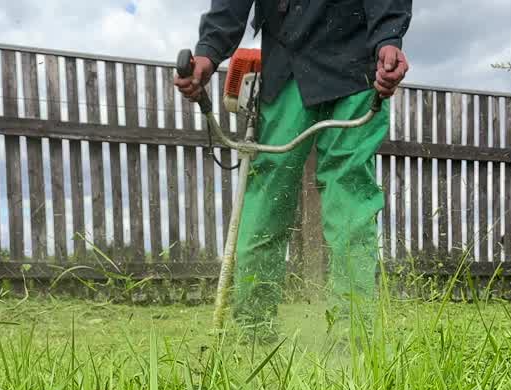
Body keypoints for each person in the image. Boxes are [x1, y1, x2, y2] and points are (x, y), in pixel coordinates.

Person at [175, 0, 412, 343]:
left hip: (358, 67)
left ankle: (353, 338)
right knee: (269, 193)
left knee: (349, 197)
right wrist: (208, 52)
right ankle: (255, 336)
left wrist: (389, 38)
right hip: (288, 65)